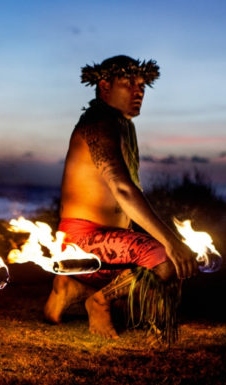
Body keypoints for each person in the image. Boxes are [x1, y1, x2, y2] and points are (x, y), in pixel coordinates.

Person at [44, 55, 197, 342]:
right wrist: (171, 242)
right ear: (104, 86)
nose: (138, 91)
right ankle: (98, 301)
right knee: (167, 260)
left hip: (111, 241)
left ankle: (71, 288)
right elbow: (123, 189)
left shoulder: (123, 126)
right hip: (83, 239)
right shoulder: (99, 122)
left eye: (141, 85)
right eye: (128, 83)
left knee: (159, 271)